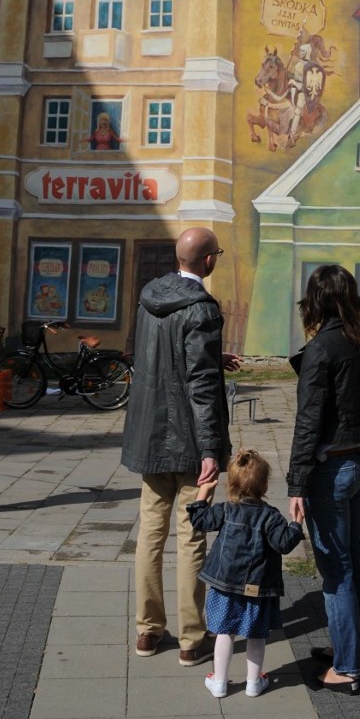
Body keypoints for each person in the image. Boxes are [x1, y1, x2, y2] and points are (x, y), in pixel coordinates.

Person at [121, 226, 240, 666]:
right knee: (192, 537)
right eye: (218, 255)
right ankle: (192, 638)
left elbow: (159, 356)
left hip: (150, 434)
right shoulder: (202, 309)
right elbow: (201, 385)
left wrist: (215, 358)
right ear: (208, 261)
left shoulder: (150, 296)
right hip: (190, 440)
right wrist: (211, 448)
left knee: (150, 535)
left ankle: (147, 633)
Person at [287, 265, 360, 694]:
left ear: (315, 302)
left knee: (336, 570)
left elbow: (308, 421)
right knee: (353, 559)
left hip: (332, 469)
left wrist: (296, 484)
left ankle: (349, 668)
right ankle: (350, 647)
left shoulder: (323, 348)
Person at [187, 449, 304, 698]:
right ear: (264, 484)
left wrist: (204, 492)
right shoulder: (271, 516)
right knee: (256, 635)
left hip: (225, 585)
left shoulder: (226, 510)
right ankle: (253, 682)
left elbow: (199, 521)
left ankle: (219, 682)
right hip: (258, 588)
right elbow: (284, 544)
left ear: (231, 483)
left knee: (224, 632)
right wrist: (296, 524)